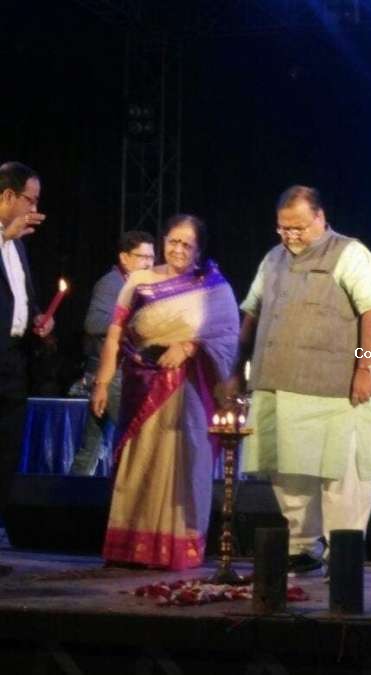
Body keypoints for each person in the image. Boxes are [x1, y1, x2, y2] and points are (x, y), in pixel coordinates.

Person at [237, 186, 371, 574]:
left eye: (299, 228)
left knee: (342, 474)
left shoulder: (350, 253)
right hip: (276, 383)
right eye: (283, 228)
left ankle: (343, 553)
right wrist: (236, 368)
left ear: (320, 218)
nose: (291, 236)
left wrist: (365, 368)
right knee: (287, 472)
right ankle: (302, 547)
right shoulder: (272, 258)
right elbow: (252, 313)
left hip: (334, 388)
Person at [91, 214, 238, 570]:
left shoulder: (213, 288)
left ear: (199, 251)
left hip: (186, 388)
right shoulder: (139, 280)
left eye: (188, 244)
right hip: (139, 384)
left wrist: (189, 346)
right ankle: (131, 547)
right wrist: (102, 382)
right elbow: (115, 333)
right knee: (139, 463)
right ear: (163, 242)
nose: (179, 249)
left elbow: (227, 334)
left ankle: (174, 548)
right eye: (173, 241)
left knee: (180, 463)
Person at [0, 162, 53, 577]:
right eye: (30, 200)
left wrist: (38, 319)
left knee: (5, 455)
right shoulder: (9, 236)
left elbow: (21, 297)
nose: (34, 210)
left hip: (13, 363)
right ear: (7, 196)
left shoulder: (19, 243)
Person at [70, 230, 155, 476]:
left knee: (91, 448)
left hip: (118, 373)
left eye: (151, 257)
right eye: (142, 257)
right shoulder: (111, 284)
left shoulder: (142, 286)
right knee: (137, 436)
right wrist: (133, 323)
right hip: (111, 374)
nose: (149, 263)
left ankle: (74, 494)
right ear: (124, 258)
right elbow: (93, 323)